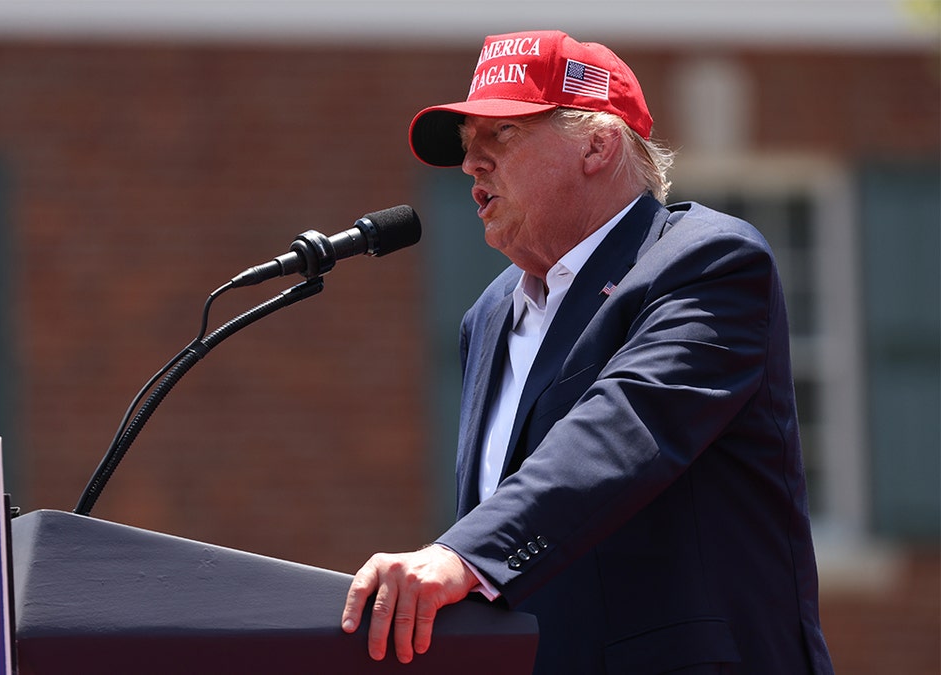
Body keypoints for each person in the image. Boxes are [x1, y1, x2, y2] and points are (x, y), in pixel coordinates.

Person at [340, 30, 835, 674]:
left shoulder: (707, 261)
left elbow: (624, 429)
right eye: (468, 146)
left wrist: (461, 556)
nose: (472, 164)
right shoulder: (489, 316)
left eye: (503, 135)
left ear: (597, 144)